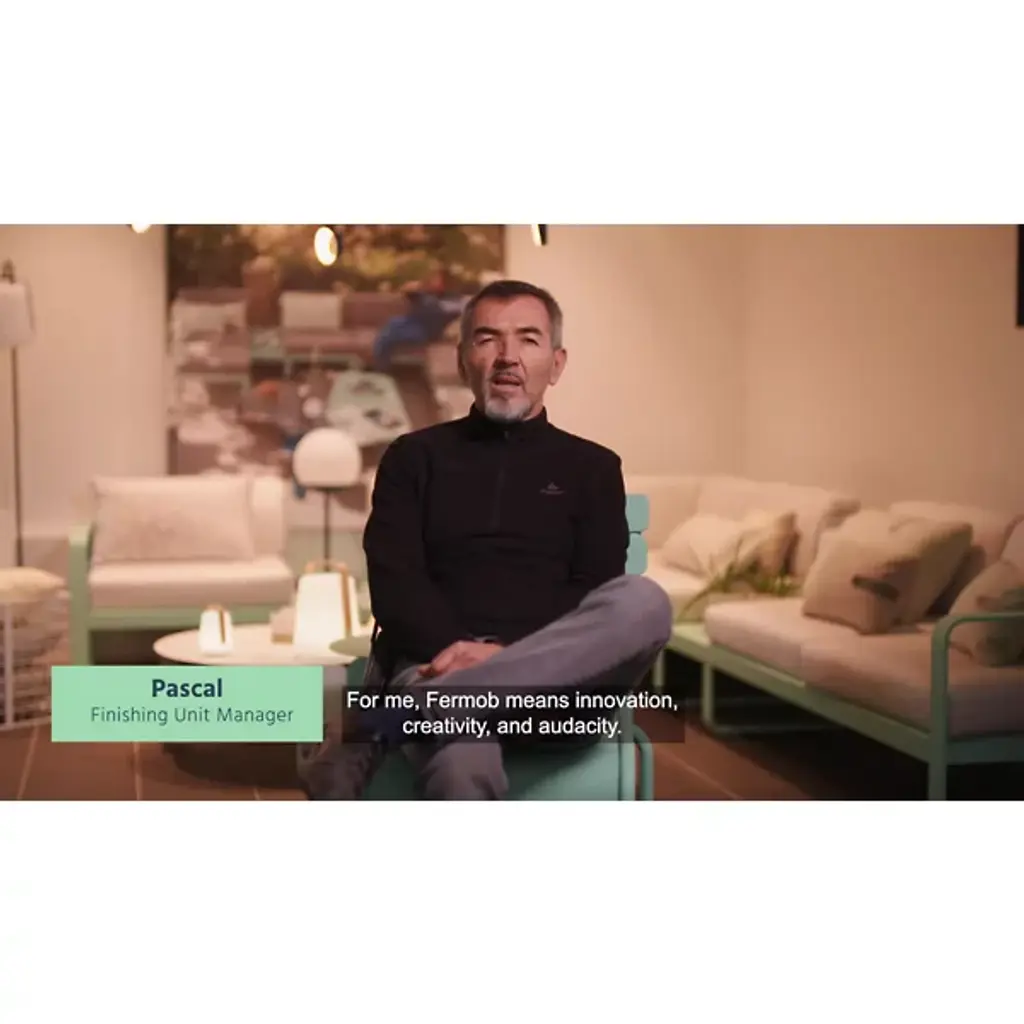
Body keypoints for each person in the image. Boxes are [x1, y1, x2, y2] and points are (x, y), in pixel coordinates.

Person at [299, 279, 672, 800]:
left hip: (558, 697)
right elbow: (396, 585)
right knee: (461, 761)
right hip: (433, 668)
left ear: (556, 364)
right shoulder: (413, 458)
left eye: (528, 339)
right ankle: (433, 706)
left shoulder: (594, 468)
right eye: (487, 339)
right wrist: (465, 656)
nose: (507, 356)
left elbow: (594, 589)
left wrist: (504, 654)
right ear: (462, 362)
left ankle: (394, 720)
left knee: (644, 602)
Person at [370, 270, 464, 370]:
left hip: (425, 330)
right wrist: (417, 287)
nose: (433, 281)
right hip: (410, 321)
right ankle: (380, 363)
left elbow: (447, 313)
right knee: (392, 325)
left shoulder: (452, 300)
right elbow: (407, 290)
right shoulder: (425, 293)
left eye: (437, 279)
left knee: (390, 336)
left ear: (445, 282)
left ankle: (382, 366)